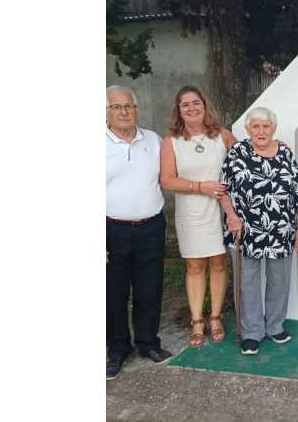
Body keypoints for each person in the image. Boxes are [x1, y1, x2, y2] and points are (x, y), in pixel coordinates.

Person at [219, 107, 298, 356]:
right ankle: (251, 332)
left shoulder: (285, 153)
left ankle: (275, 326)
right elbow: (223, 190)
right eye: (256, 126)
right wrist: (232, 217)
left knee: (279, 280)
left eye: (266, 126)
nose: (261, 131)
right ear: (247, 129)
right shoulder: (237, 153)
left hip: (281, 230)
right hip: (245, 231)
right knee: (247, 283)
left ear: (274, 129)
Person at [160, 85, 238, 348]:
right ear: (178, 110)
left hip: (220, 210)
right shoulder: (172, 141)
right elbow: (167, 180)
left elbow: (246, 159)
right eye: (185, 104)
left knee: (219, 263)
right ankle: (197, 320)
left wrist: (273, 145)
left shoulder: (222, 135)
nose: (192, 108)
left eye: (196, 103)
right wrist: (200, 186)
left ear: (205, 106)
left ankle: (215, 317)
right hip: (191, 211)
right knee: (195, 266)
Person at [106, 85, 173, 380]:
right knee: (112, 292)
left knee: (150, 289)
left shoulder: (153, 140)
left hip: (151, 227)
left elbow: (168, 174)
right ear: (106, 112)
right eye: (117, 107)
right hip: (111, 229)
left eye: (129, 106)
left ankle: (148, 343)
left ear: (136, 109)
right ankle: (117, 348)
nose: (124, 112)